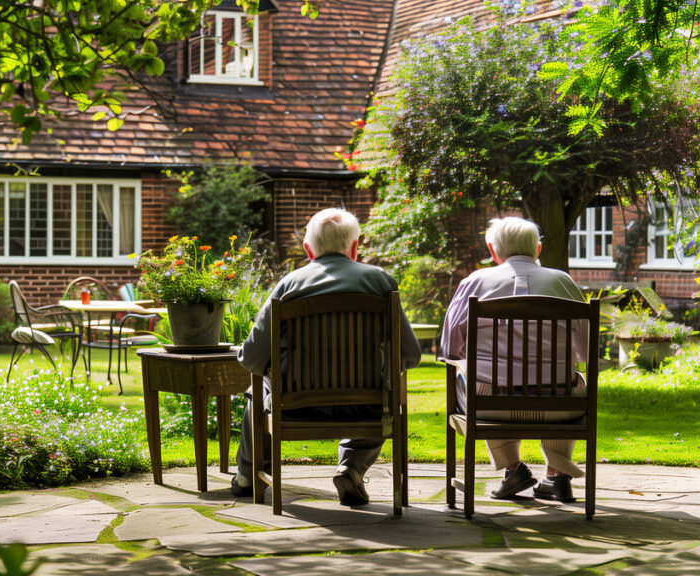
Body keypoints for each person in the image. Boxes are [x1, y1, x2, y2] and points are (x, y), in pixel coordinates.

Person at [231, 208, 422, 505]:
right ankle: (351, 468)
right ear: (355, 247)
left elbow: (254, 357)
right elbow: (410, 354)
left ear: (308, 249)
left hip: (296, 408)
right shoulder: (382, 283)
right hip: (366, 408)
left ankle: (247, 474)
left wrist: (254, 358)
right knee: (386, 392)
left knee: (257, 390)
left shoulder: (289, 286)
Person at [440, 217, 588, 503]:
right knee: (573, 379)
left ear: (494, 251)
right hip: (559, 406)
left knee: (471, 378)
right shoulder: (563, 283)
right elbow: (584, 349)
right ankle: (557, 477)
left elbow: (450, 348)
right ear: (538, 249)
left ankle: (513, 469)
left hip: (490, 407)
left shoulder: (476, 282)